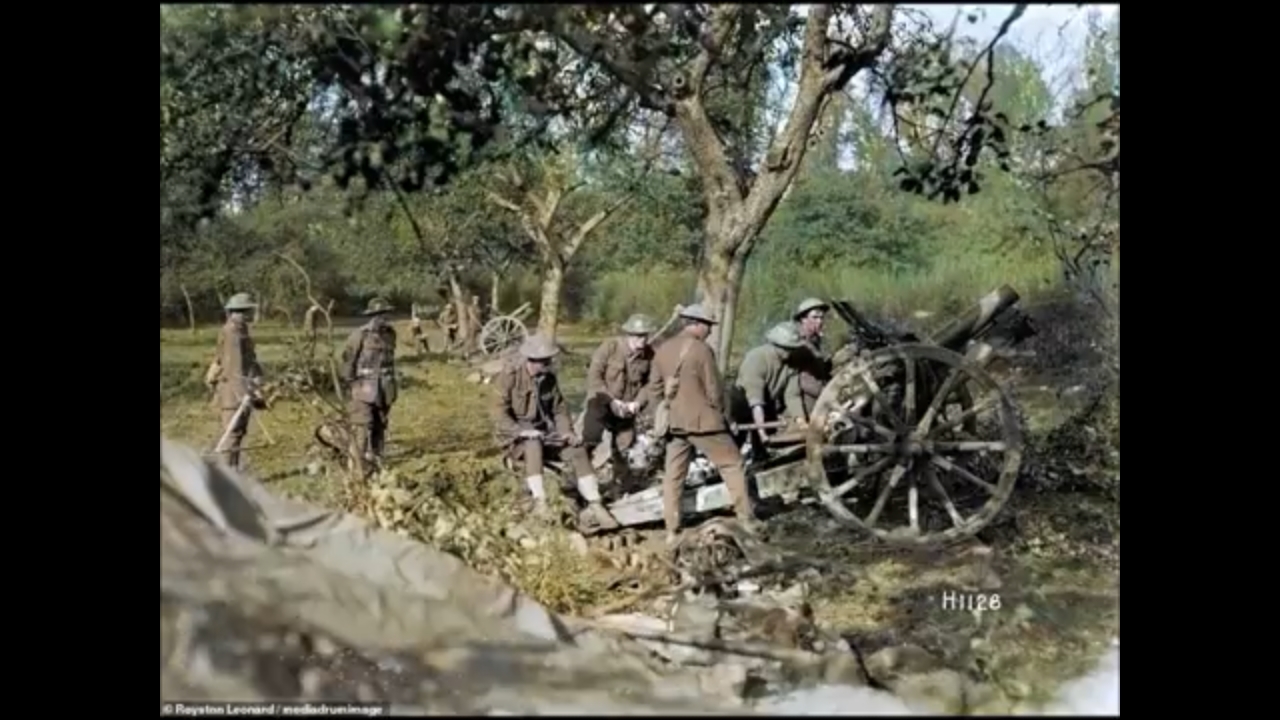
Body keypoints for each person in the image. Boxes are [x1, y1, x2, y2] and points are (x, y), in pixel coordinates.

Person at [648, 304, 757, 544]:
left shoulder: (663, 349)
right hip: (705, 423)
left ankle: (671, 530)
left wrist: (668, 410)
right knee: (733, 465)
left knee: (673, 476)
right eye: (707, 326)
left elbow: (654, 389)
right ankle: (746, 519)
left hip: (675, 424)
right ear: (695, 324)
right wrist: (728, 420)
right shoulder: (702, 350)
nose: (709, 331)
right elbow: (715, 392)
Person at [492, 334, 619, 530]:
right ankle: (540, 501)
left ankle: (595, 504)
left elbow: (559, 409)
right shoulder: (509, 377)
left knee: (577, 450)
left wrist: (567, 432)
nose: (549, 364)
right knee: (532, 443)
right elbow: (497, 412)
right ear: (533, 361)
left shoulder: (548, 379)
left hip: (544, 434)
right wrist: (520, 431)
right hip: (515, 439)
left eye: (548, 360)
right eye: (545, 361)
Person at [583, 313, 657, 489]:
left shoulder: (649, 354)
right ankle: (581, 479)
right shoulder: (610, 347)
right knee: (589, 440)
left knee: (624, 446)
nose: (643, 340)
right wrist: (611, 401)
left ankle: (620, 486)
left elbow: (650, 384)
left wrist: (638, 403)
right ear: (629, 335)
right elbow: (594, 377)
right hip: (601, 402)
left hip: (627, 408)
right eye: (639, 336)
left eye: (645, 335)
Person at [204, 292, 264, 471]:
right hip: (234, 391)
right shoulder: (233, 333)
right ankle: (228, 474)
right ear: (238, 312)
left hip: (240, 388)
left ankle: (233, 469)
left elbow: (250, 360)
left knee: (238, 433)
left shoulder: (241, 330)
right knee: (232, 432)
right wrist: (247, 393)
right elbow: (234, 367)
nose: (249, 315)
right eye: (246, 311)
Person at [342, 297, 399, 476]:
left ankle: (377, 457)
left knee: (380, 424)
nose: (381, 318)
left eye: (384, 314)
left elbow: (390, 360)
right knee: (362, 424)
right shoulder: (360, 334)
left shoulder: (391, 334)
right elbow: (347, 359)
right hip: (363, 387)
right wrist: (350, 381)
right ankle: (357, 463)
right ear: (371, 316)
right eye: (377, 314)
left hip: (385, 388)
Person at [735, 321, 808, 448]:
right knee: (736, 442)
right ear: (775, 344)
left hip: (768, 403)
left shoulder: (792, 363)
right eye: (786, 348)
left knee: (766, 446)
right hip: (743, 403)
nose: (789, 352)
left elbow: (792, 395)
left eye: (792, 349)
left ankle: (760, 455)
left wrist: (801, 421)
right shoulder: (757, 358)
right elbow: (755, 400)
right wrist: (762, 432)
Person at [793, 297, 833, 417]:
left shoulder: (814, 341)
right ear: (803, 319)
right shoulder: (799, 344)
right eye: (815, 317)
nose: (820, 321)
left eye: (821, 317)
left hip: (817, 397)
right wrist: (830, 394)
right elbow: (804, 381)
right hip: (806, 404)